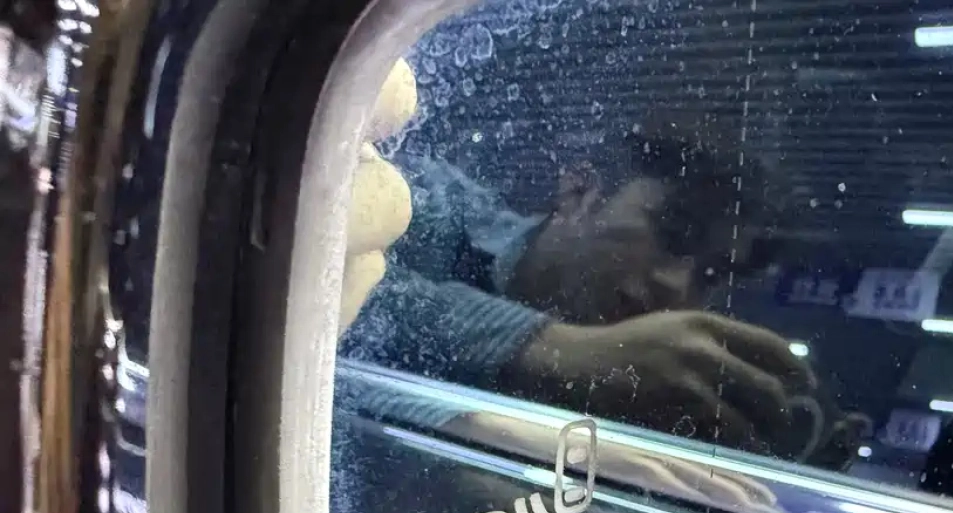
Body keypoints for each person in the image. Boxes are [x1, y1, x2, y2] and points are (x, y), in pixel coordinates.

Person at [336, 59, 862, 461]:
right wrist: (555, 351)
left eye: (712, 274)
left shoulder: (644, 398)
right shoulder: (423, 204)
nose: (677, 283)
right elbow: (327, 301)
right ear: (579, 192)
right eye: (673, 233)